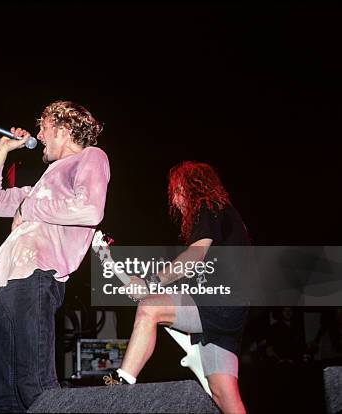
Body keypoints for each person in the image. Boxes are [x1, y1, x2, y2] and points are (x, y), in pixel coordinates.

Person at [0, 101, 110, 413]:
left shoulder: (90, 157)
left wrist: (29, 209)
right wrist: (2, 149)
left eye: (44, 128)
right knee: (5, 395)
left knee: (35, 386)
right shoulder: (39, 187)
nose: (38, 135)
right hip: (4, 284)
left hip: (37, 277)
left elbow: (91, 209)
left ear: (63, 131)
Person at [104, 161, 250, 414]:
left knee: (150, 309)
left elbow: (194, 256)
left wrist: (151, 283)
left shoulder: (208, 206)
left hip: (221, 302)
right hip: (229, 311)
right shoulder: (224, 216)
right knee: (224, 396)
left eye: (177, 192)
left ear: (190, 187)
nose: (176, 200)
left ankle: (120, 386)